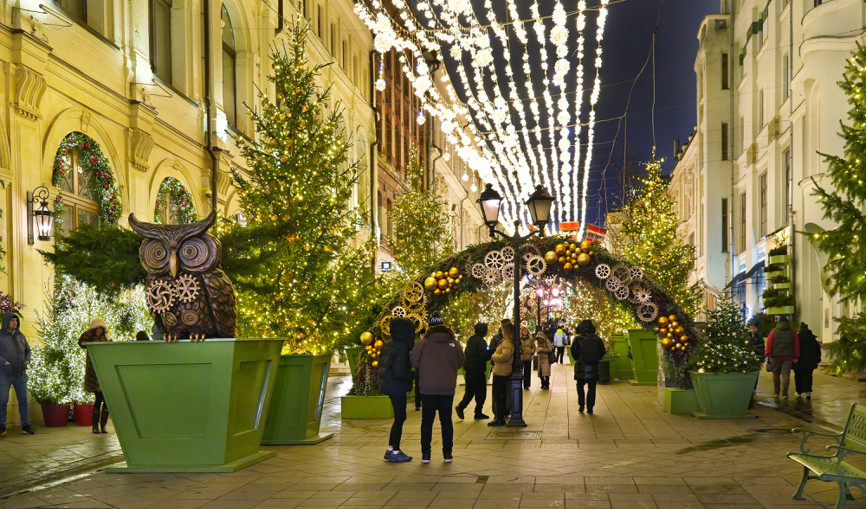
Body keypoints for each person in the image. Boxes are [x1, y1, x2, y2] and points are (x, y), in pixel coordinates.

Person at [410, 311, 465, 464]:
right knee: (446, 421)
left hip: (427, 389)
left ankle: (425, 455)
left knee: (426, 421)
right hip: (447, 388)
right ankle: (448, 454)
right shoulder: (454, 342)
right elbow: (461, 361)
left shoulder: (423, 343)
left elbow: (414, 361)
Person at [378, 317, 415, 463]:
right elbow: (399, 370)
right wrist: (413, 375)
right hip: (397, 386)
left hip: (389, 384)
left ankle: (391, 449)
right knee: (400, 418)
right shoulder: (402, 347)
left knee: (399, 418)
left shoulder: (390, 344)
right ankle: (395, 451)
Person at [0, 312, 34, 436]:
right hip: (5, 374)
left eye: (16, 321)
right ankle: (1, 426)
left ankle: (26, 425)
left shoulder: (21, 336)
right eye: (12, 320)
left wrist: (27, 360)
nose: (15, 323)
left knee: (23, 400)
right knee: (2, 401)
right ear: (6, 322)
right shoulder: (1, 336)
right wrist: (4, 362)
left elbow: (28, 350)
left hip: (20, 374)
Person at [79, 318, 112, 433]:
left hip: (104, 371)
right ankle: (95, 426)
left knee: (106, 401)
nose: (98, 330)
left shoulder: (105, 338)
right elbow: (81, 343)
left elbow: (111, 347)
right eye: (96, 328)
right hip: (94, 373)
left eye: (100, 328)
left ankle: (103, 425)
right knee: (98, 399)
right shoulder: (90, 338)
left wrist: (107, 335)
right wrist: (89, 331)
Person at [455, 322, 491, 420]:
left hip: (470, 369)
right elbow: (484, 356)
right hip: (478, 370)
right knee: (481, 392)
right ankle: (476, 411)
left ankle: (462, 407)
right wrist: (491, 352)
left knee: (470, 391)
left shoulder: (471, 340)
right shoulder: (481, 342)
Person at [571, 319, 606, 414]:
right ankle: (590, 407)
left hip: (581, 367)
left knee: (580, 386)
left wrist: (579, 360)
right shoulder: (597, 339)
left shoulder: (577, 339)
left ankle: (581, 404)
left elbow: (574, 353)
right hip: (593, 367)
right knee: (592, 388)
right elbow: (602, 351)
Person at [765, 316, 800, 399]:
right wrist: (796, 356)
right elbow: (796, 345)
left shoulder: (773, 331)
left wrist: (768, 354)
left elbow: (769, 343)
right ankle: (784, 394)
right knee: (786, 376)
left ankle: (776, 393)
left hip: (775, 357)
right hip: (788, 357)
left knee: (776, 375)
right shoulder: (793, 332)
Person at [488, 320, 515, 427]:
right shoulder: (509, 342)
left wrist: (494, 356)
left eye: (503, 330)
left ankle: (499, 418)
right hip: (502, 371)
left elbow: (505, 356)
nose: (502, 332)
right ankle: (500, 416)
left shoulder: (507, 343)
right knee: (500, 395)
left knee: (498, 395)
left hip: (501, 372)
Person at [794, 323, 821, 399]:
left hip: (799, 361)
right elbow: (817, 350)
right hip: (810, 361)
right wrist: (818, 359)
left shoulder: (797, 338)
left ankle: (798, 391)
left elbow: (794, 348)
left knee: (798, 376)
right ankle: (808, 391)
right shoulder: (812, 339)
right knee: (808, 376)